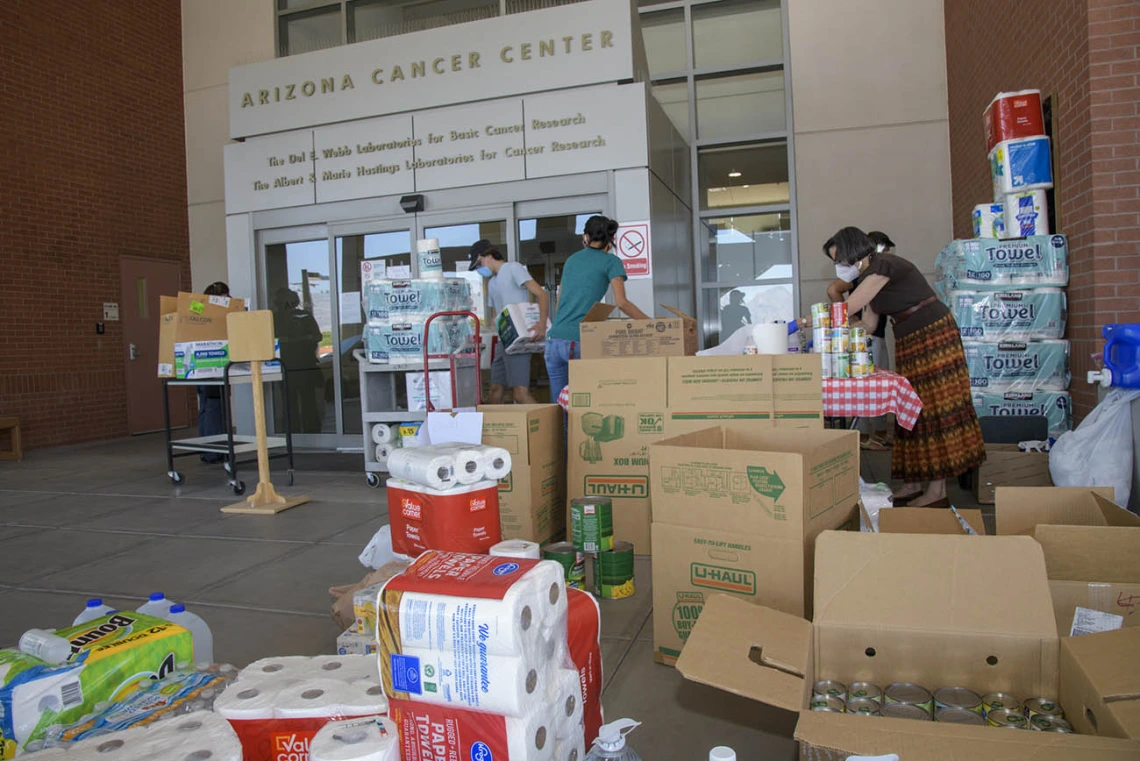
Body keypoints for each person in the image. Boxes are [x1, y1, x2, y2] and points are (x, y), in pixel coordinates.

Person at [824, 226, 984, 507]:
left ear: (853, 253)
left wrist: (810, 320)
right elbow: (868, 324)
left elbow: (849, 308)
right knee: (909, 409)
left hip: (933, 334)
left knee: (933, 408)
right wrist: (834, 334)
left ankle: (937, 491)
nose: (839, 267)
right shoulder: (868, 278)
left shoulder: (882, 266)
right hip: (910, 339)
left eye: (840, 260)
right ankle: (914, 481)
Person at [545, 215, 650, 401]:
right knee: (585, 403)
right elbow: (622, 302)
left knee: (559, 406)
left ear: (586, 236)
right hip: (578, 341)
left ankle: (561, 431)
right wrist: (650, 324)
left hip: (554, 340)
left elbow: (559, 301)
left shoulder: (571, 260)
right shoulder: (611, 261)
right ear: (611, 239)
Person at [827, 230, 894, 450]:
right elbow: (867, 321)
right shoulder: (866, 275)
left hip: (881, 333)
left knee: (872, 386)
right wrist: (846, 326)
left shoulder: (878, 270)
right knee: (863, 387)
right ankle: (866, 436)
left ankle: (878, 434)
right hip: (869, 337)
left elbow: (864, 317)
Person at [469, 240, 550, 404]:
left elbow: (542, 294)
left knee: (520, 394)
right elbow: (495, 316)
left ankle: (546, 426)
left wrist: (541, 324)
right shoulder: (491, 284)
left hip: (518, 339)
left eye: (479, 264)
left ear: (488, 254)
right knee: (494, 391)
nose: (479, 269)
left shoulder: (514, 268)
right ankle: (498, 427)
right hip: (502, 341)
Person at [272, 287, 324, 433]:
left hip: (291, 364)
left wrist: (293, 340)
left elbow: (317, 336)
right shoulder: (301, 316)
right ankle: (310, 431)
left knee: (291, 402)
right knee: (306, 401)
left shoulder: (277, 318)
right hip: (299, 364)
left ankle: (294, 433)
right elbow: (317, 336)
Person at [197, 281, 230, 463]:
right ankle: (214, 451)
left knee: (207, 407)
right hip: (212, 364)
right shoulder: (213, 315)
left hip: (201, 365)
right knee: (214, 407)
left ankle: (208, 450)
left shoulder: (197, 310)